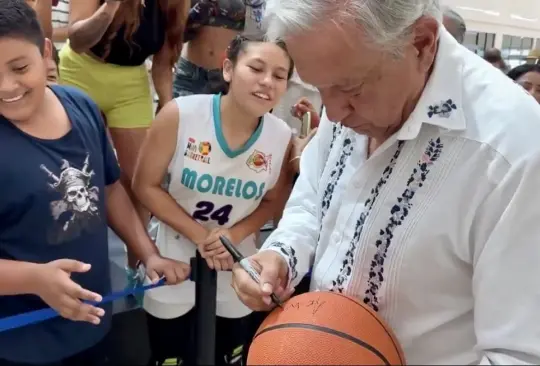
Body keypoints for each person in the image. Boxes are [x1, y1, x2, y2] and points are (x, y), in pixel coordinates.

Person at [232, 0, 540, 364]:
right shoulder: (349, 81)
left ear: (421, 43)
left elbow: (517, 353)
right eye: (317, 87)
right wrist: (280, 254)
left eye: (353, 88)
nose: (332, 113)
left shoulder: (512, 152)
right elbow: (313, 200)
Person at [0, 1, 190, 365]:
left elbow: (109, 187)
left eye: (19, 67)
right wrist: (34, 278)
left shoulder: (81, 106)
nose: (7, 86)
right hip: (20, 344)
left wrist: (148, 253)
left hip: (94, 325)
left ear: (44, 52)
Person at [133, 34, 294, 366]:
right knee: (169, 357)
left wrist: (232, 237)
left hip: (237, 260)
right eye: (256, 68)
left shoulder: (281, 136)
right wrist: (201, 235)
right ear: (228, 69)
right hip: (174, 252)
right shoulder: (181, 114)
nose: (267, 81)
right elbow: (144, 185)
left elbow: (272, 203)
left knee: (231, 356)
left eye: (279, 76)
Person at [61, 0, 188, 289]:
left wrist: (169, 107)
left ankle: (139, 265)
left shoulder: (175, 4)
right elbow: (77, 40)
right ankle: (75, 264)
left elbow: (162, 63)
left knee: (140, 178)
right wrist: (110, 7)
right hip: (80, 70)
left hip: (130, 81)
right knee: (83, 174)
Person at [173, 0, 265, 96]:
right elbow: (179, 35)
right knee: (177, 110)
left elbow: (255, 36)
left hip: (225, 76)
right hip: (191, 73)